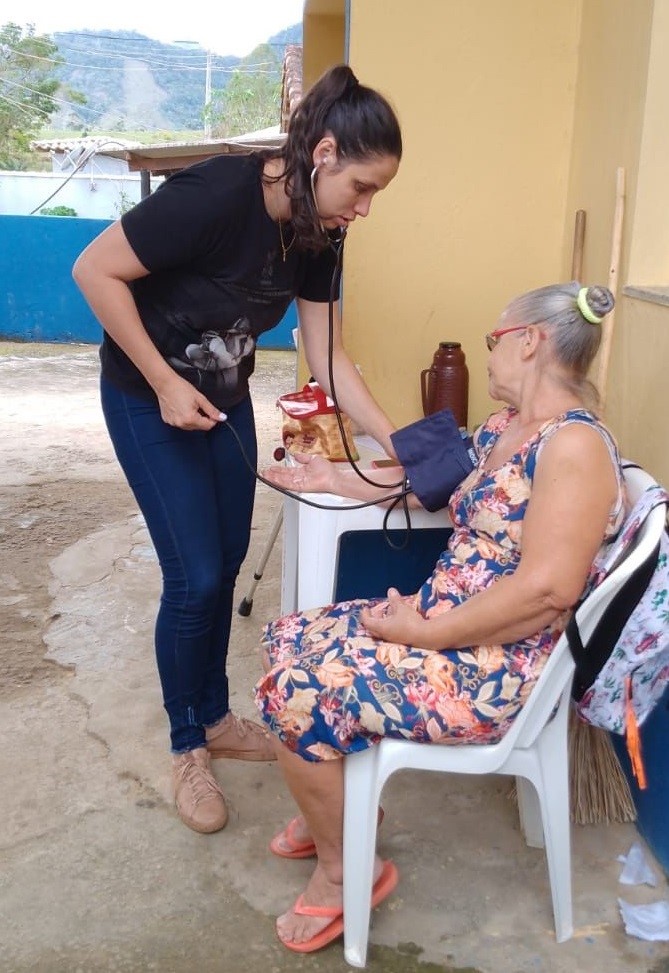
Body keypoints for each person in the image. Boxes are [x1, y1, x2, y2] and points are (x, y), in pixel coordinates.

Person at [72, 63, 402, 835]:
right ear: (322, 153)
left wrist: (397, 442)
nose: (365, 208)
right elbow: (94, 269)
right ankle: (187, 743)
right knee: (191, 575)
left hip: (221, 402)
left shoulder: (321, 233)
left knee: (223, 564)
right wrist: (159, 380)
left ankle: (216, 715)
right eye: (363, 187)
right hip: (146, 397)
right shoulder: (216, 197)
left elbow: (327, 354)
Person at [254, 281, 625, 954]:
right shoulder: (506, 427)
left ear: (529, 341)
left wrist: (419, 631)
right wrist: (332, 477)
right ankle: (339, 813)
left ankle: (346, 872)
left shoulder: (574, 448)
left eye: (492, 340)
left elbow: (544, 593)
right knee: (286, 636)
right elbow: (422, 476)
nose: (486, 356)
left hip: (491, 667)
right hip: (445, 631)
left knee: (293, 690)